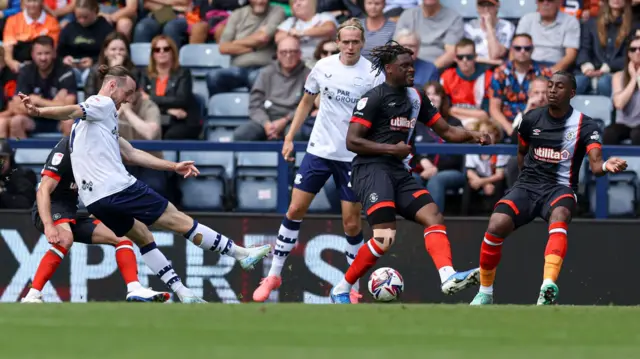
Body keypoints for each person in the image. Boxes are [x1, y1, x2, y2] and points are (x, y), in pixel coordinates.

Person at [18, 64, 272, 303]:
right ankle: (241, 255)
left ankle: (182, 292)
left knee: (141, 235)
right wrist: (40, 112)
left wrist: (173, 166)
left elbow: (132, 153)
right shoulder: (102, 103)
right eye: (127, 93)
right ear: (112, 86)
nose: (128, 99)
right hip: (118, 188)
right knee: (179, 220)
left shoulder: (93, 126)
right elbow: (73, 109)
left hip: (96, 201)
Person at [329, 41, 492, 304]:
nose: (411, 71)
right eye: (405, 66)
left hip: (398, 170)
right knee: (384, 238)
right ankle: (341, 287)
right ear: (390, 69)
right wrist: (391, 150)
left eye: (412, 66)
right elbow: (352, 142)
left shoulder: (416, 98)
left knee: (433, 215)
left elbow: (446, 131)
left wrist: (475, 135)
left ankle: (448, 276)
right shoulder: (373, 98)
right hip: (371, 169)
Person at [252, 18, 383, 304]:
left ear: (362, 43)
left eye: (355, 41)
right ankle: (274, 273)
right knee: (295, 208)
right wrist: (289, 137)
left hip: (353, 156)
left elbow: (381, 114)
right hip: (319, 151)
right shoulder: (323, 68)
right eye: (345, 41)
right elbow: (305, 102)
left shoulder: (374, 73)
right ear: (338, 42)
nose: (350, 46)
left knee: (351, 224)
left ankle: (351, 286)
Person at [470, 72, 628, 306]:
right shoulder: (531, 119)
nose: (552, 90)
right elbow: (522, 152)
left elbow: (595, 166)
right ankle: (485, 292)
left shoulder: (586, 125)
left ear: (572, 93)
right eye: (550, 85)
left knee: (560, 215)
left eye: (559, 86)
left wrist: (606, 164)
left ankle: (547, 287)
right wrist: (524, 182)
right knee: (496, 223)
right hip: (528, 185)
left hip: (560, 188)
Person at [22, 137, 173, 303]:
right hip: (51, 207)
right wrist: (49, 225)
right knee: (65, 238)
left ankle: (134, 289)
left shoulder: (99, 148)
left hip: (72, 210)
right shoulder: (65, 149)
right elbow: (43, 190)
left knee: (121, 237)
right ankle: (32, 295)